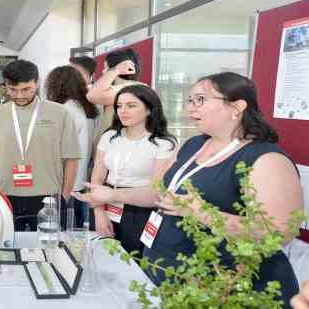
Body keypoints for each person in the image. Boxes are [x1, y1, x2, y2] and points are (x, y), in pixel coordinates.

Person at [144, 72, 302, 308]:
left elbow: (281, 232)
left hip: (228, 285)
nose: (191, 108)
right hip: (172, 274)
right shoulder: (194, 144)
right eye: (190, 100)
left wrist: (202, 213)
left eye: (200, 100)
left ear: (236, 107)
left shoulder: (266, 158)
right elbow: (162, 193)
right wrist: (110, 194)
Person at [0, 60, 82, 231]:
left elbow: (71, 158)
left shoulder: (59, 113)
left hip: (47, 197)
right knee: (5, 251)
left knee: (48, 251)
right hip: (4, 195)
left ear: (37, 83)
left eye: (26, 89)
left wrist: (65, 196)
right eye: (13, 90)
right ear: (6, 86)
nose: (19, 95)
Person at [75, 85, 176, 255]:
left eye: (131, 105)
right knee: (100, 257)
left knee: (133, 262)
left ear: (149, 109)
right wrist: (99, 213)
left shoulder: (163, 143)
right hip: (104, 203)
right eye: (119, 106)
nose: (123, 111)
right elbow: (97, 178)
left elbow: (156, 190)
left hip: (140, 208)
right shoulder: (110, 136)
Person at [45, 66, 99, 229]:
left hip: (65, 179)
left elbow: (56, 147)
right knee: (74, 224)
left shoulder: (65, 109)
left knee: (61, 226)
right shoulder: (88, 108)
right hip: (80, 177)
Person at [87, 48, 145, 150]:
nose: (103, 71)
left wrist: (116, 70)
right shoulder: (119, 89)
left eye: (106, 68)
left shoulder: (131, 89)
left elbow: (92, 96)